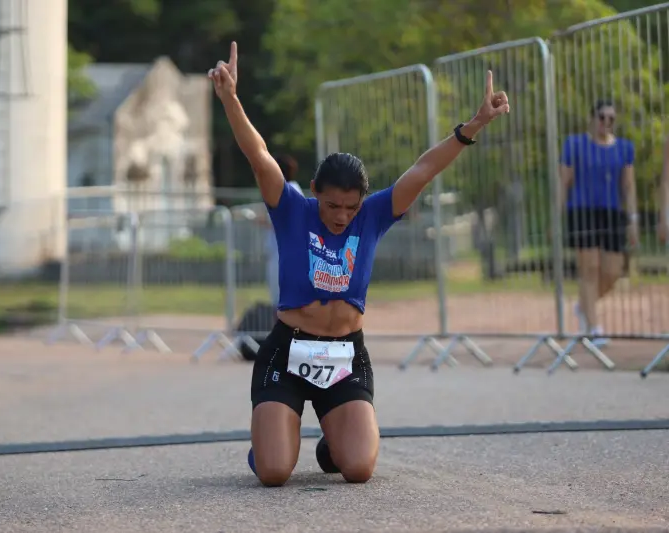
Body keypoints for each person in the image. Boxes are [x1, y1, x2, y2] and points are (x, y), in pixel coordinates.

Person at [208, 42, 509, 486]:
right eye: (332, 205)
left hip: (345, 354)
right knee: (273, 473)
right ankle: (270, 441)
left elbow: (423, 170)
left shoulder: (373, 216)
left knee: (358, 469)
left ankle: (333, 442)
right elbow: (259, 154)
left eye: (351, 207)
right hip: (288, 351)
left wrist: (474, 125)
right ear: (314, 190)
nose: (341, 216)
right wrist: (230, 99)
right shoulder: (291, 208)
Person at [559, 100, 638, 346]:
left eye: (611, 118)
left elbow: (628, 186)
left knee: (613, 271)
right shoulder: (574, 144)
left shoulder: (624, 148)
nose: (606, 122)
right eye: (602, 117)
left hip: (612, 212)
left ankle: (584, 306)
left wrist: (633, 219)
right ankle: (594, 329)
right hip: (582, 211)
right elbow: (564, 182)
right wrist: (557, 215)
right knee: (589, 269)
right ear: (592, 118)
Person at [262, 154, 303, 308]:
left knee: (281, 300)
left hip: (284, 253)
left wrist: (260, 220)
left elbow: (283, 220)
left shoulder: (289, 190)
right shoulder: (287, 189)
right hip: (279, 252)